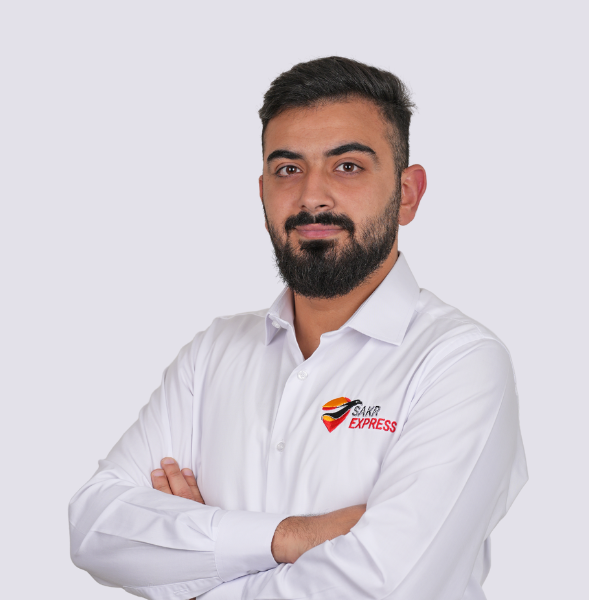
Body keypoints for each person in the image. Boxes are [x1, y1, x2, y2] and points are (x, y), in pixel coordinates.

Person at [69, 56, 528, 600]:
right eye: (288, 169)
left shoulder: (461, 363)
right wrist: (291, 536)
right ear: (262, 189)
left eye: (347, 166)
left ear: (407, 193)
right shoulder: (213, 354)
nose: (312, 196)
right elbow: (93, 527)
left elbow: (384, 586)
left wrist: (192, 561)